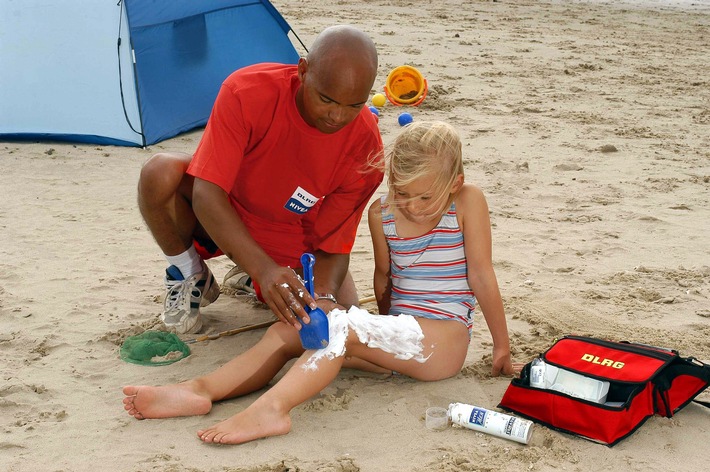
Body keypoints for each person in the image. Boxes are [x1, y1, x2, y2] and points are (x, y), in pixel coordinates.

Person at [122, 121, 518, 445]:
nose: (411, 205)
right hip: (400, 338)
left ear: (454, 182)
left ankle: (273, 409)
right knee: (297, 327)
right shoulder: (383, 213)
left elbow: (480, 274)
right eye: (401, 192)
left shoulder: (467, 202)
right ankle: (201, 389)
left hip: (443, 342)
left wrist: (501, 346)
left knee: (341, 328)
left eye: (423, 197)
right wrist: (381, 339)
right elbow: (385, 281)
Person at [137, 25, 383, 335]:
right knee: (159, 174)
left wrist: (324, 296)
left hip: (290, 233)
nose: (337, 116)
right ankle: (190, 274)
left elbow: (333, 242)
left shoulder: (366, 147)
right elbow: (206, 193)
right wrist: (264, 271)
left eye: (354, 106)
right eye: (327, 100)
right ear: (303, 70)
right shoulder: (246, 91)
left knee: (339, 319)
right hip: (222, 212)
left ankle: (250, 275)